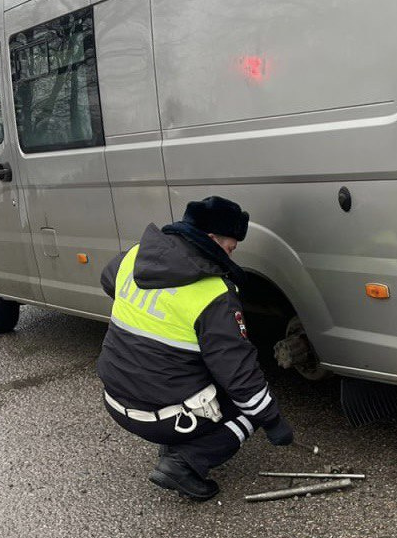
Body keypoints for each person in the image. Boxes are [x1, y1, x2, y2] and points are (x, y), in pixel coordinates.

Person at [97, 196, 294, 501]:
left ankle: (175, 440)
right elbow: (238, 372)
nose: (232, 256)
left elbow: (108, 280)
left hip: (114, 399)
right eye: (230, 248)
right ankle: (183, 463)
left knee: (190, 366)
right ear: (212, 239)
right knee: (249, 406)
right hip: (159, 414)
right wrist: (273, 420)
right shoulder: (212, 292)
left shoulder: (135, 256)